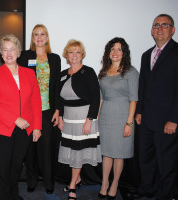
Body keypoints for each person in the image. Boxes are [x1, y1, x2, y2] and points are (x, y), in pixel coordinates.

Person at [0, 34, 42, 200]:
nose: (9, 53)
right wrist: (15, 119)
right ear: (1, 54)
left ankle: (13, 195)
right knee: (1, 170)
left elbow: (36, 102)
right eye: (5, 50)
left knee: (15, 168)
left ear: (18, 52)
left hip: (24, 132)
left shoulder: (29, 74)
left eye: (12, 49)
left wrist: (36, 126)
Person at [134, 14, 178, 200]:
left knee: (166, 161)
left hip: (167, 119)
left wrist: (175, 119)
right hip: (146, 119)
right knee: (146, 159)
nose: (160, 28)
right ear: (152, 31)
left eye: (164, 25)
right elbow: (143, 85)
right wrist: (139, 111)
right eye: (156, 25)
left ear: (172, 30)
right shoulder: (146, 55)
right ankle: (147, 190)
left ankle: (167, 194)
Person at [17, 24, 61, 194]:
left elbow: (56, 86)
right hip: (28, 110)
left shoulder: (55, 58)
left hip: (47, 110)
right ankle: (32, 180)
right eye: (36, 34)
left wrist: (57, 110)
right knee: (30, 148)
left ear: (47, 37)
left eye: (43, 34)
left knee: (46, 147)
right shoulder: (25, 56)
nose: (39, 37)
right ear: (32, 38)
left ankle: (49, 182)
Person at [57, 39, 101, 200]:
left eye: (77, 51)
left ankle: (72, 185)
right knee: (74, 152)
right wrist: (60, 117)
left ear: (82, 55)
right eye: (71, 52)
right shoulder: (62, 74)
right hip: (68, 119)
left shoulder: (88, 72)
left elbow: (96, 97)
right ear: (66, 55)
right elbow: (59, 99)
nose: (74, 55)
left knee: (77, 152)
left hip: (84, 117)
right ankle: (78, 178)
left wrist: (90, 119)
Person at [97, 37, 139, 200]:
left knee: (119, 153)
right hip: (106, 116)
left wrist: (129, 123)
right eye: (112, 49)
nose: (115, 52)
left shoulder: (131, 71)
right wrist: (98, 118)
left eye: (119, 49)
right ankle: (104, 183)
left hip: (123, 116)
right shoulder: (103, 71)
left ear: (124, 53)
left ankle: (114, 185)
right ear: (108, 52)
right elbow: (100, 98)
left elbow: (133, 99)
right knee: (107, 153)